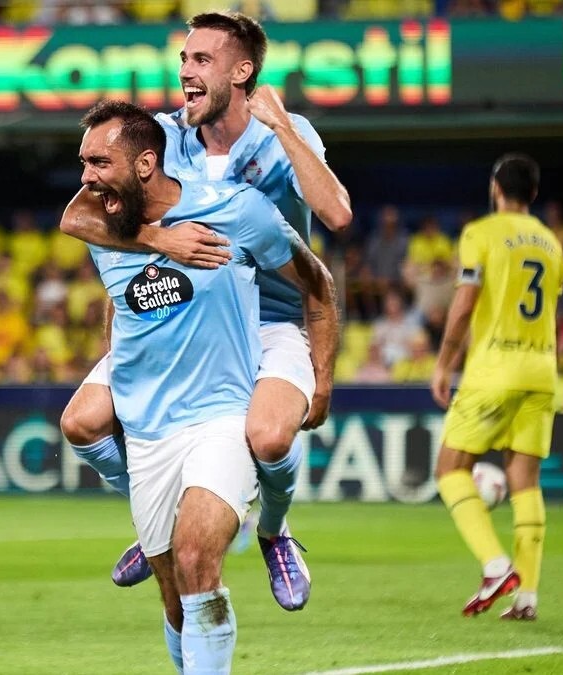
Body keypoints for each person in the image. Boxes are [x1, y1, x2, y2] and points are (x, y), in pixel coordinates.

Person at [58, 10, 350, 610]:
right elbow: (78, 216)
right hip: (185, 319)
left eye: (201, 60)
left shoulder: (285, 133)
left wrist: (284, 128)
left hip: (270, 317)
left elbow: (338, 215)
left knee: (269, 439)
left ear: (241, 72)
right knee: (83, 423)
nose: (185, 72)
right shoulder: (164, 135)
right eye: (183, 60)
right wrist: (156, 240)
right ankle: (154, 516)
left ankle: (273, 531)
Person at [77, 100, 339, 673]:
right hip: (148, 433)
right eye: (83, 163)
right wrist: (159, 242)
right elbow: (116, 301)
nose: (86, 178)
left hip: (221, 415)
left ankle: (275, 530)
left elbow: (316, 280)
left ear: (146, 163)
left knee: (198, 559)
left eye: (98, 162)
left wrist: (321, 379)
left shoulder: (235, 210)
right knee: (174, 600)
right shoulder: (104, 226)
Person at [431, 154, 563, 621]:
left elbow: (466, 303)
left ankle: (495, 566)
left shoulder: (481, 233)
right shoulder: (552, 244)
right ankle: (526, 596)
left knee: (450, 468)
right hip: (542, 371)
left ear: (495, 187)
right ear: (533, 192)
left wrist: (444, 363)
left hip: (495, 368)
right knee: (525, 481)